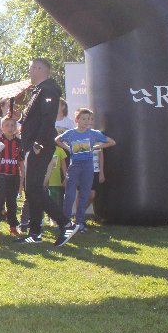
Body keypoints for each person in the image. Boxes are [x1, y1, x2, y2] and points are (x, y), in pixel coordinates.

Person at [18, 58, 78, 246]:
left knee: (34, 188)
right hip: (33, 145)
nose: (29, 72)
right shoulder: (39, 90)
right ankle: (35, 233)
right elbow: (37, 118)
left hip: (39, 146)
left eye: (31, 69)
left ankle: (66, 224)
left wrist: (37, 143)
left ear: (39, 68)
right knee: (32, 188)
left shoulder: (48, 90)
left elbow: (48, 119)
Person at [56, 108, 116, 231]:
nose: (86, 121)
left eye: (88, 119)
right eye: (83, 119)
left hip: (88, 166)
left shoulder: (93, 133)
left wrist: (97, 147)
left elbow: (112, 142)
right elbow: (57, 140)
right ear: (77, 120)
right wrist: (68, 148)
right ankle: (65, 223)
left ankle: (80, 223)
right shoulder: (70, 133)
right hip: (74, 166)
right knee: (70, 194)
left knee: (84, 194)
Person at [0, 117, 23, 238]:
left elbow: (21, 162)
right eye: (7, 125)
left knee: (12, 203)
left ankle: (13, 226)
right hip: (1, 176)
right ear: (1, 128)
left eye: (12, 125)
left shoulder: (19, 143)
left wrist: (21, 180)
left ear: (16, 128)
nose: (10, 128)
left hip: (14, 176)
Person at [43, 144, 68, 226]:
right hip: (44, 181)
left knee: (56, 202)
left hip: (56, 181)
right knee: (44, 200)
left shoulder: (60, 150)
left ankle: (54, 219)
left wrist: (65, 177)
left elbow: (63, 165)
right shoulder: (42, 149)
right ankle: (43, 218)